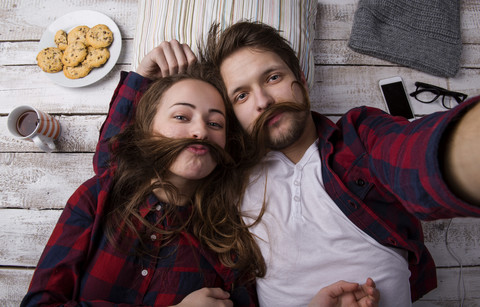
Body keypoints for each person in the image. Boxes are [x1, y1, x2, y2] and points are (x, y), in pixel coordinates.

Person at [123, 21, 480, 307]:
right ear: (232, 116)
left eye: (272, 78)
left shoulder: (358, 139)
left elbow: (414, 152)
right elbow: (122, 175)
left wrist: (463, 150)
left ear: (301, 82)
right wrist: (141, 84)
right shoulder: (223, 177)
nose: (263, 101)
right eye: (242, 95)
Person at [21, 58, 380, 306]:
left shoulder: (230, 238)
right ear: (148, 128)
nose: (199, 131)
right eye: (182, 116)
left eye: (215, 123)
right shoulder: (98, 197)